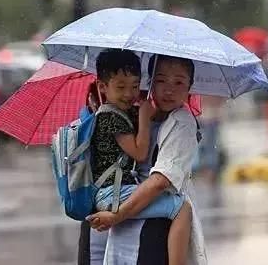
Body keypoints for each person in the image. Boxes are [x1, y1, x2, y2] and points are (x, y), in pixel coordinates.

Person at [86, 54, 207, 265]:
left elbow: (160, 181)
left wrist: (118, 215)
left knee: (182, 207)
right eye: (160, 80)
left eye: (179, 82)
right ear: (149, 82)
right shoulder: (136, 115)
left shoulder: (181, 123)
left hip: (152, 231)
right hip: (124, 225)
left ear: (190, 86)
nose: (169, 90)